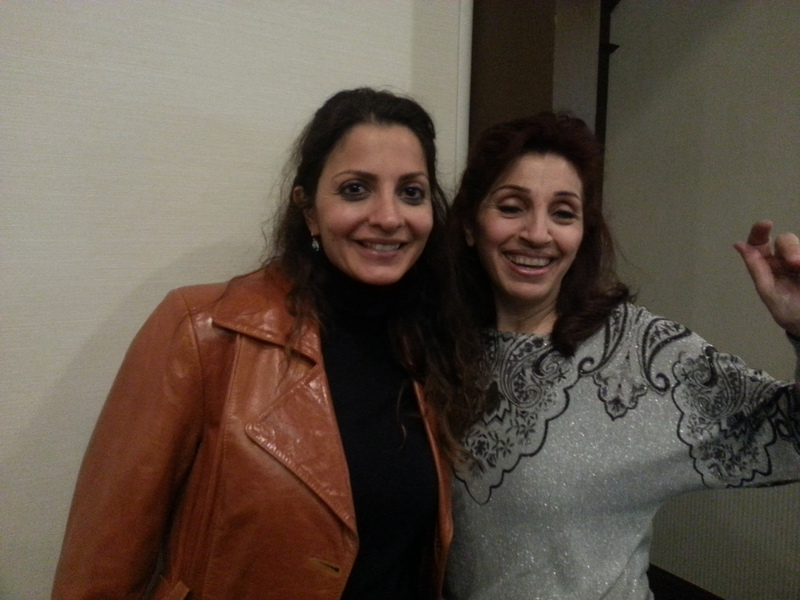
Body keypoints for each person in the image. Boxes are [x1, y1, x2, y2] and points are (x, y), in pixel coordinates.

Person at [52, 87, 457, 600]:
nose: (389, 216)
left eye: (411, 192)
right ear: (308, 211)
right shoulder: (203, 331)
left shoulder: (432, 348)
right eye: (355, 189)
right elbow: (99, 572)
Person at [441, 111, 800, 600]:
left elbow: (791, 435)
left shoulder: (642, 356)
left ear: (583, 232)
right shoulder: (437, 345)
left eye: (563, 213)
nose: (538, 233)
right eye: (511, 207)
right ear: (469, 225)